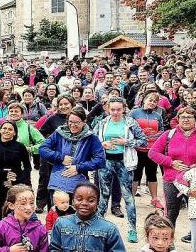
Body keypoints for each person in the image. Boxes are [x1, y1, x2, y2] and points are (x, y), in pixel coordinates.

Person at [149, 107, 196, 241]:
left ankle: (195, 239)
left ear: (195, 120)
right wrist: (170, 162)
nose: (186, 119)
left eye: (189, 117)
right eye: (182, 117)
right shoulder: (168, 135)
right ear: (177, 119)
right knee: (171, 213)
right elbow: (153, 153)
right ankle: (168, 241)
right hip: (172, 180)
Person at [94, 97, 148, 243]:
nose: (115, 112)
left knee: (128, 197)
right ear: (108, 109)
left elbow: (143, 140)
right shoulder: (103, 122)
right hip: (106, 162)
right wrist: (102, 143)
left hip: (125, 163)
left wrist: (127, 142)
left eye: (119, 109)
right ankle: (98, 227)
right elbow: (92, 139)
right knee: (103, 195)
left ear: (124, 108)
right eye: (113, 109)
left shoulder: (130, 123)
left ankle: (132, 230)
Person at [39, 108, 105, 204]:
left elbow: (100, 160)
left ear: (84, 122)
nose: (72, 125)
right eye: (70, 122)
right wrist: (60, 157)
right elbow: (43, 149)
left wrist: (78, 167)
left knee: (76, 214)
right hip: (57, 179)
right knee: (56, 213)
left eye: (76, 123)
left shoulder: (91, 137)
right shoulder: (59, 133)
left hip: (79, 181)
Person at [0, 121, 32, 231]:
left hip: (16, 184)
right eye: (4, 128)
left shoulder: (20, 147)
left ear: (15, 133)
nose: (6, 131)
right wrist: (2, 173)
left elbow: (27, 167)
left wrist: (19, 179)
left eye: (10, 129)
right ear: (0, 130)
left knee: (15, 210)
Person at [129, 92, 167, 209]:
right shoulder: (134, 112)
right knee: (136, 175)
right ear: (144, 100)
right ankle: (131, 199)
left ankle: (154, 199)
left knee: (152, 174)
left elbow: (161, 130)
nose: (152, 103)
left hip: (152, 150)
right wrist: (141, 134)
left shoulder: (157, 115)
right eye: (150, 100)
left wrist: (154, 135)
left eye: (155, 101)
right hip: (137, 149)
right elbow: (128, 129)